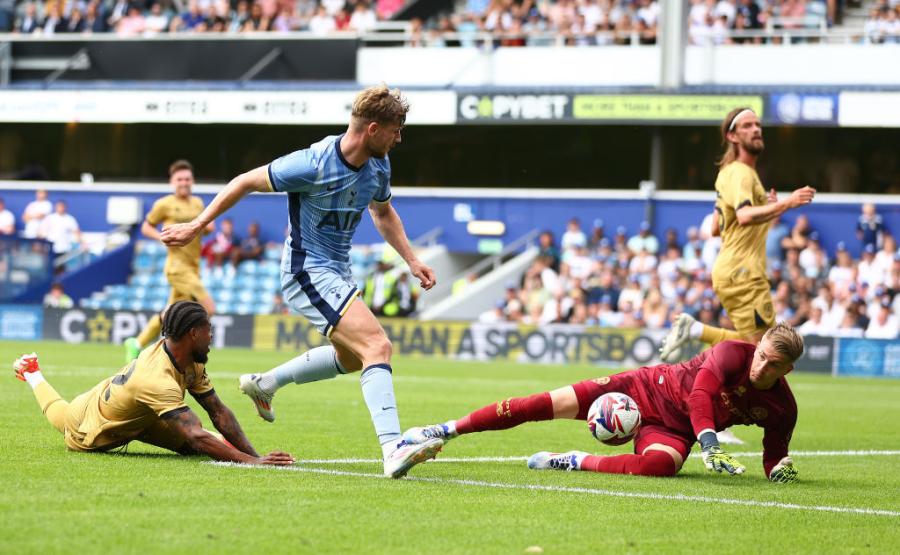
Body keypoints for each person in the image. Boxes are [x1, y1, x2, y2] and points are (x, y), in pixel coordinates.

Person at [160, 84, 442, 478]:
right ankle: (393, 447)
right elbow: (244, 181)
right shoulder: (312, 163)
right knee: (378, 345)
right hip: (306, 269)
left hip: (336, 270)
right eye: (396, 129)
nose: (400, 138)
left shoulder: (378, 166)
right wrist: (196, 225)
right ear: (373, 128)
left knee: (352, 357)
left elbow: (383, 212)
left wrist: (411, 259)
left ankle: (265, 383)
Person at [404, 323, 803, 483]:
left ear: (786, 370)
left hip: (673, 429)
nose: (760, 363)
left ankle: (573, 460)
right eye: (762, 352)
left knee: (660, 466)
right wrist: (711, 444)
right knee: (538, 405)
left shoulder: (784, 409)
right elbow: (700, 394)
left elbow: (774, 456)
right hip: (641, 389)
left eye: (772, 363)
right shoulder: (733, 352)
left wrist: (780, 470)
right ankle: (444, 430)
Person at [14, 301, 294, 466]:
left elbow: (218, 411)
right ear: (193, 333)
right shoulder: (156, 379)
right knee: (63, 417)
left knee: (198, 447)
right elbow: (196, 433)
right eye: (209, 330)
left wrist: (254, 455)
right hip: (90, 424)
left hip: (141, 414)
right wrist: (254, 463)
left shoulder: (191, 360)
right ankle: (32, 372)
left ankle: (31, 371)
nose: (212, 336)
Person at [660, 108, 815, 359]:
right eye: (747, 126)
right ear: (732, 136)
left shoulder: (731, 173)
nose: (756, 129)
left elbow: (715, 228)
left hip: (733, 270)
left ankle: (696, 330)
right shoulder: (741, 173)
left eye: (757, 125)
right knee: (765, 349)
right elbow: (743, 216)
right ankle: (697, 341)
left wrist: (765, 207)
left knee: (754, 345)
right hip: (744, 272)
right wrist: (788, 203)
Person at [124, 160, 216, 363]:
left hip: (193, 267)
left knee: (169, 312)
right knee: (208, 308)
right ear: (172, 182)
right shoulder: (164, 204)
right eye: (179, 179)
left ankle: (137, 343)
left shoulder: (198, 203)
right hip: (177, 268)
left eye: (187, 179)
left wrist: (206, 226)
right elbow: (146, 227)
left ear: (192, 181)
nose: (184, 182)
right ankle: (188, 353)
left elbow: (209, 227)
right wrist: (162, 238)